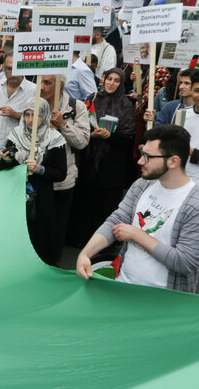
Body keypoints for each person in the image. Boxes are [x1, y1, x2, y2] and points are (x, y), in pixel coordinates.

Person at [76, 125, 199, 292]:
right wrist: (85, 253)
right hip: (124, 285)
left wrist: (136, 234)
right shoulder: (142, 184)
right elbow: (116, 219)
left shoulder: (194, 204)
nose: (140, 161)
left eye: (148, 156)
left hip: (164, 303)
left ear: (173, 161)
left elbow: (184, 262)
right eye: (142, 153)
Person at [67, 69, 136, 248]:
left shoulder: (126, 104)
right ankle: (78, 239)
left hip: (111, 162)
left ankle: (102, 243)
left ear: (121, 84)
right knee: (84, 199)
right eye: (108, 79)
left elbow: (128, 135)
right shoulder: (92, 98)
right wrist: (92, 133)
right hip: (89, 157)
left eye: (116, 80)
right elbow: (81, 122)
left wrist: (109, 136)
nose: (111, 83)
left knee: (104, 204)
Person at [0, 101, 67, 265]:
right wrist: (7, 159)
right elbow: (7, 167)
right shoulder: (16, 134)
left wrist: (40, 169)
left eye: (36, 115)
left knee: (41, 234)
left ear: (44, 116)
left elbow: (61, 173)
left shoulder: (55, 139)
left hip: (43, 195)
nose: (30, 119)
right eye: (27, 114)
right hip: (18, 193)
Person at [43, 74, 91, 260]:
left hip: (64, 179)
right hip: (38, 175)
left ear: (60, 85)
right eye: (41, 82)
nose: (42, 87)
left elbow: (82, 142)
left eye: (47, 82)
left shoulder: (76, 106)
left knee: (57, 227)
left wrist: (63, 125)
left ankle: (53, 263)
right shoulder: (34, 104)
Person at [0, 55, 37, 173]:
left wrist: (17, 115)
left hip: (18, 154)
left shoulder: (33, 90)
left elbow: (37, 123)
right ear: (3, 68)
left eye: (17, 68)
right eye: (9, 69)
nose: (13, 73)